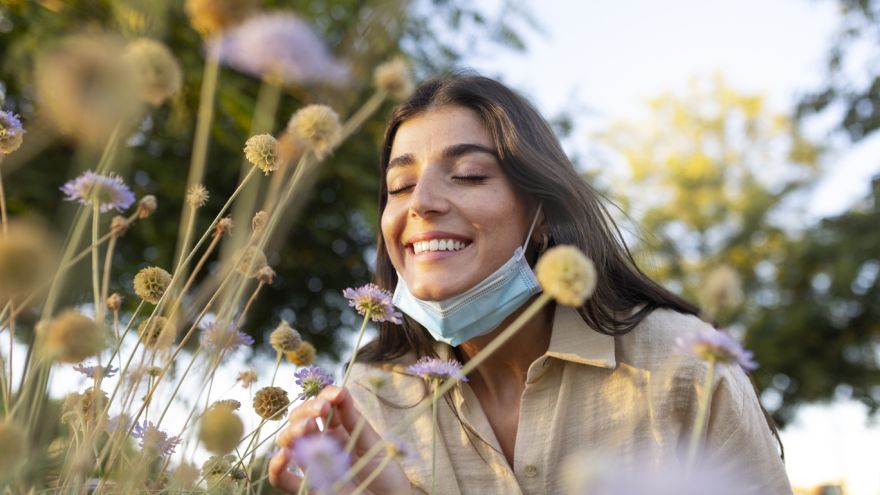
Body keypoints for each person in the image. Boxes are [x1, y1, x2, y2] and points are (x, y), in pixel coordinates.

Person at [268, 73, 794, 494]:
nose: (421, 202)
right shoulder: (371, 398)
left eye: (469, 175)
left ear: (541, 213)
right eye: (400, 185)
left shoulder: (685, 363)